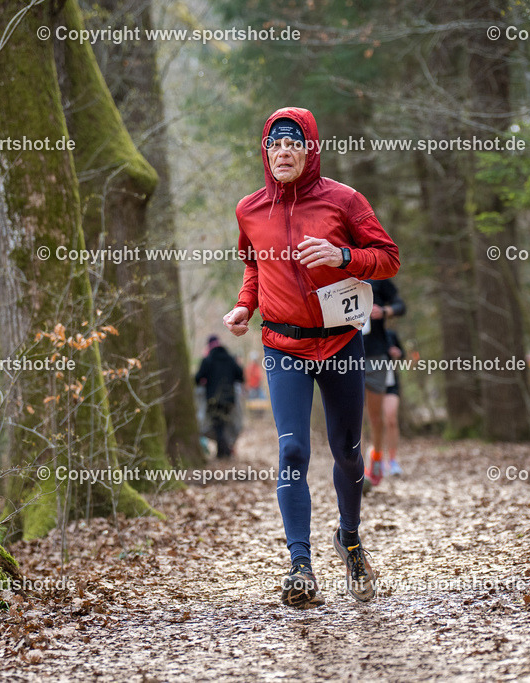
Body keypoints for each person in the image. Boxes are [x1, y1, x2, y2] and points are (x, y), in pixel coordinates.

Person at [222, 107, 399, 608]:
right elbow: (253, 267)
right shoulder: (249, 209)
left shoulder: (344, 200)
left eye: (293, 144)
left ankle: (350, 538)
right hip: (283, 346)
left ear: (310, 150)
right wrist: (244, 305)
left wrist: (343, 257)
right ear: (265, 153)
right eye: (274, 145)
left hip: (341, 341)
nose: (282, 152)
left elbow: (388, 256)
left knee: (345, 449)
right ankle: (300, 564)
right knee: (293, 450)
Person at [362, 278, 406, 486]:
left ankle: (377, 456)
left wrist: (385, 311)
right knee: (350, 417)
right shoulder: (336, 272)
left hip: (376, 357)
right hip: (345, 355)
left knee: (376, 416)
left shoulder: (376, 277)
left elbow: (401, 306)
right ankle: (355, 467)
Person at [195, 335, 244, 459]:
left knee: (218, 425)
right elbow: (240, 376)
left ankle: (223, 452)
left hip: (213, 398)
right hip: (229, 398)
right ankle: (224, 451)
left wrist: (205, 381)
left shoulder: (207, 360)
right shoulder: (230, 359)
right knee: (225, 424)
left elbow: (197, 378)